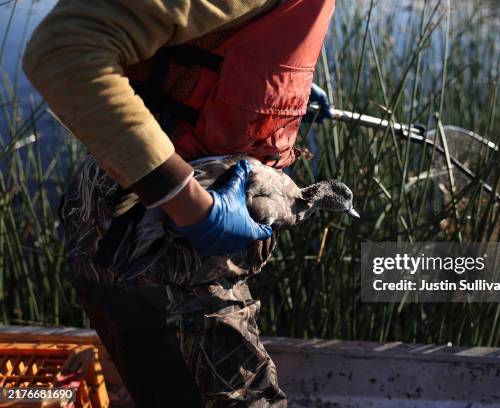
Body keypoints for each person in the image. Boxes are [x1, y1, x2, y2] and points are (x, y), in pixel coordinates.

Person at [23, 0, 335, 406]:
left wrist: (277, 88)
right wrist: (192, 206)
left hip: (158, 245)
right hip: (159, 252)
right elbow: (63, 49)